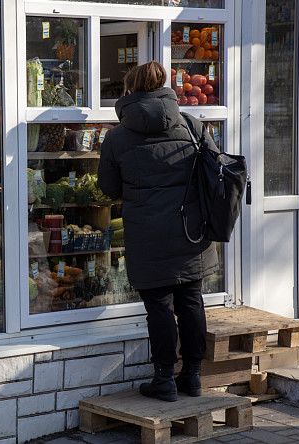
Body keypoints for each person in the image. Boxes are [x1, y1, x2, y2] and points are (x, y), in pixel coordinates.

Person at [97, 61, 219, 402]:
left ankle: (164, 378)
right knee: (191, 301)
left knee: (160, 308)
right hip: (191, 233)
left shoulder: (117, 137)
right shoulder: (193, 126)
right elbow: (212, 176)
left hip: (147, 236)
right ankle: (192, 376)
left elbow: (108, 189)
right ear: (165, 87)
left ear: (129, 91)